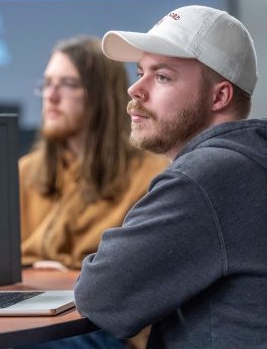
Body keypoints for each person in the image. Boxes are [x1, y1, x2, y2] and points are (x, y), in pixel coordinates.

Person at [74, 6, 267, 348]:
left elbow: (99, 297)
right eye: (140, 72)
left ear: (219, 96)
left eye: (162, 77)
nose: (135, 89)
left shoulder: (208, 177)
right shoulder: (256, 164)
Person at [20, 35, 168, 271]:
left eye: (68, 84)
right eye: (47, 84)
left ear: (102, 95)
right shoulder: (25, 172)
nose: (51, 96)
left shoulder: (149, 177)